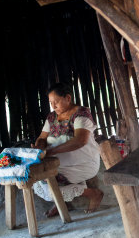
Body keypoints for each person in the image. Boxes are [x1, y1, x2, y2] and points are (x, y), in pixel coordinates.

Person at [32, 82, 103, 216]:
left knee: (50, 178)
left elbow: (79, 141)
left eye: (56, 101)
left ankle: (94, 194)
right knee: (40, 177)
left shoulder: (81, 114)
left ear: (68, 98)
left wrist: (50, 152)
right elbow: (42, 138)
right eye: (51, 102)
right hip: (58, 161)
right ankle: (61, 202)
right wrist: (39, 147)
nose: (53, 106)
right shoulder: (52, 117)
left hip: (84, 162)